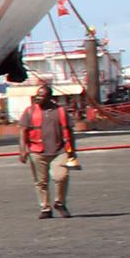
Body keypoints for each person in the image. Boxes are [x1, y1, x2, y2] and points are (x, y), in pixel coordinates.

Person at [20, 84, 79, 220]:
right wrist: (23, 150)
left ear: (50, 97)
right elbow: (23, 131)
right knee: (41, 182)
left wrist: (72, 151)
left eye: (42, 95)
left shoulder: (61, 111)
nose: (38, 97)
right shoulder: (29, 111)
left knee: (61, 177)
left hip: (60, 151)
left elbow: (69, 131)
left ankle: (60, 202)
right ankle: (45, 207)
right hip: (37, 151)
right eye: (37, 94)